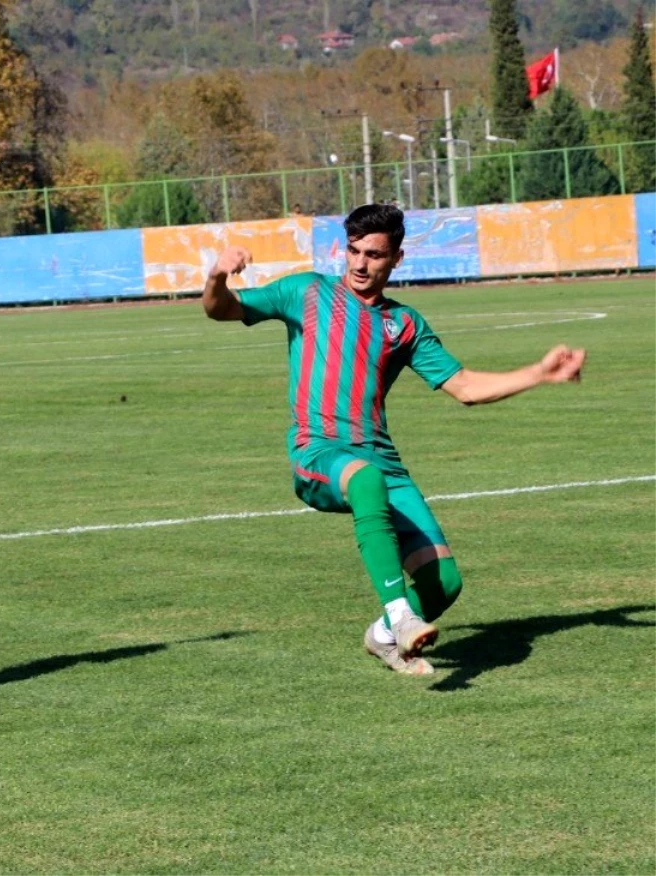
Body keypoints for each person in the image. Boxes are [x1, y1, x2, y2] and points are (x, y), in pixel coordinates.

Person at [202, 203, 586, 675]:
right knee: (365, 481)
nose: (361, 264)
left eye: (375, 255)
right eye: (354, 251)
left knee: (444, 584)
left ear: (396, 259)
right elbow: (223, 309)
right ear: (342, 249)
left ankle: (383, 637)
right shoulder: (305, 292)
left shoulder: (404, 324)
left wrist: (538, 374)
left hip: (381, 459)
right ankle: (399, 616)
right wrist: (217, 275)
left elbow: (464, 388)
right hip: (318, 451)